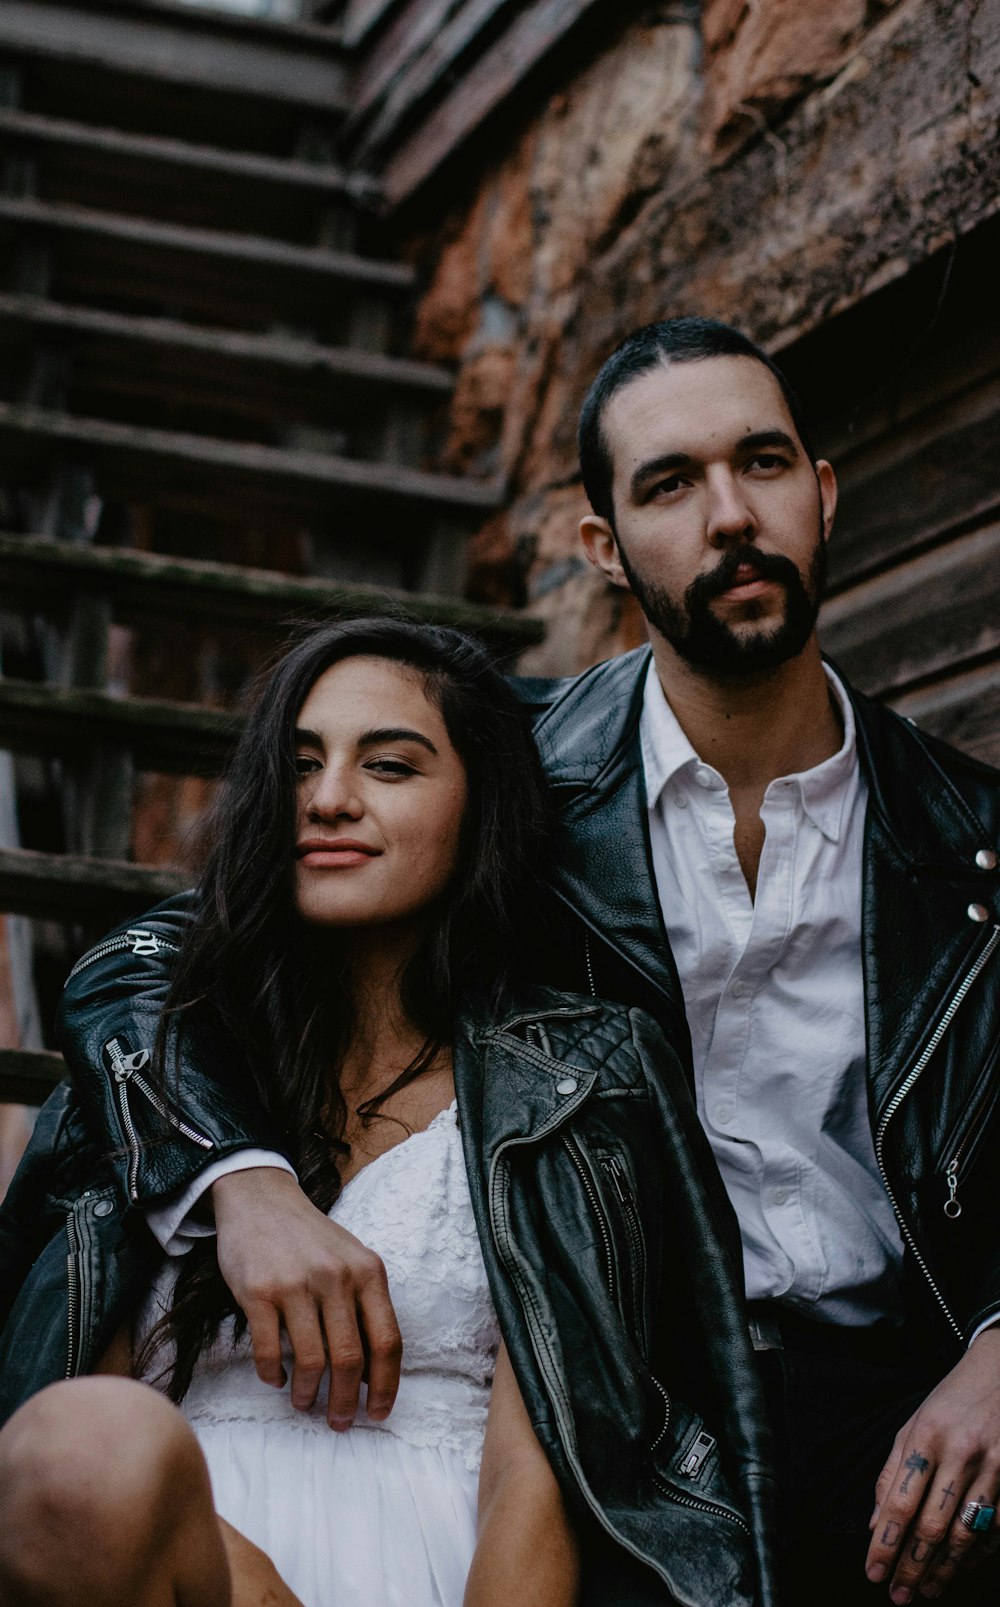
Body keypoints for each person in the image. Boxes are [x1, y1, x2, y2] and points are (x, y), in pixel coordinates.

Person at [14, 316, 1000, 1602]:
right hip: (626, 1367)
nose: (729, 517)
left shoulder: (969, 843)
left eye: (761, 464)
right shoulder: (507, 787)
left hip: (898, 1364)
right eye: (667, 483)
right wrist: (239, 1177)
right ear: (602, 548)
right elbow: (153, 954)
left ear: (819, 491)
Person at [0, 618, 777, 1607]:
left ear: (477, 806)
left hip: (435, 1564)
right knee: (85, 1440)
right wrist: (241, 1191)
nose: (326, 800)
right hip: (174, 1570)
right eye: (299, 763)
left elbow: (539, 1473)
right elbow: (64, 1417)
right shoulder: (152, 1071)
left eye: (391, 766)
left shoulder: (576, 1077)